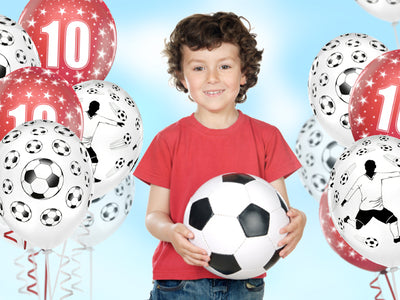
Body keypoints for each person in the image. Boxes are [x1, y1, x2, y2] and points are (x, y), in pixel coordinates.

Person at [134, 12, 306, 299]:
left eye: (224, 66)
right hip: (179, 282)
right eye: (199, 68)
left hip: (247, 282)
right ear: (182, 75)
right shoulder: (168, 140)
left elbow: (280, 212)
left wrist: (298, 223)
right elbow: (154, 216)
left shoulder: (267, 137)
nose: (212, 78)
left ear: (244, 73)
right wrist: (171, 232)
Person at [341, 159, 400, 243]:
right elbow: (352, 189)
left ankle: (396, 238)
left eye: (372, 167)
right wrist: (345, 200)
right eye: (368, 167)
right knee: (358, 227)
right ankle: (347, 220)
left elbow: (390, 175)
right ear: (365, 168)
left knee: (393, 220)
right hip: (365, 209)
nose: (370, 169)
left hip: (378, 208)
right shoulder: (361, 179)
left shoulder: (378, 175)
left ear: (375, 167)